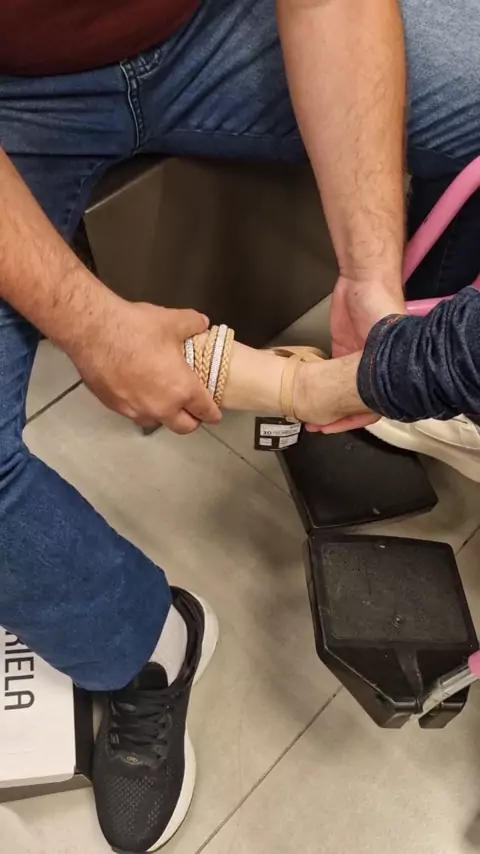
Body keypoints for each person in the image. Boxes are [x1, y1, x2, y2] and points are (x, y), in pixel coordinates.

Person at [0, 0, 479, 852]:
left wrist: (377, 292)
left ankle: (423, 372)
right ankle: (144, 649)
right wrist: (91, 325)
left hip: (206, 23)